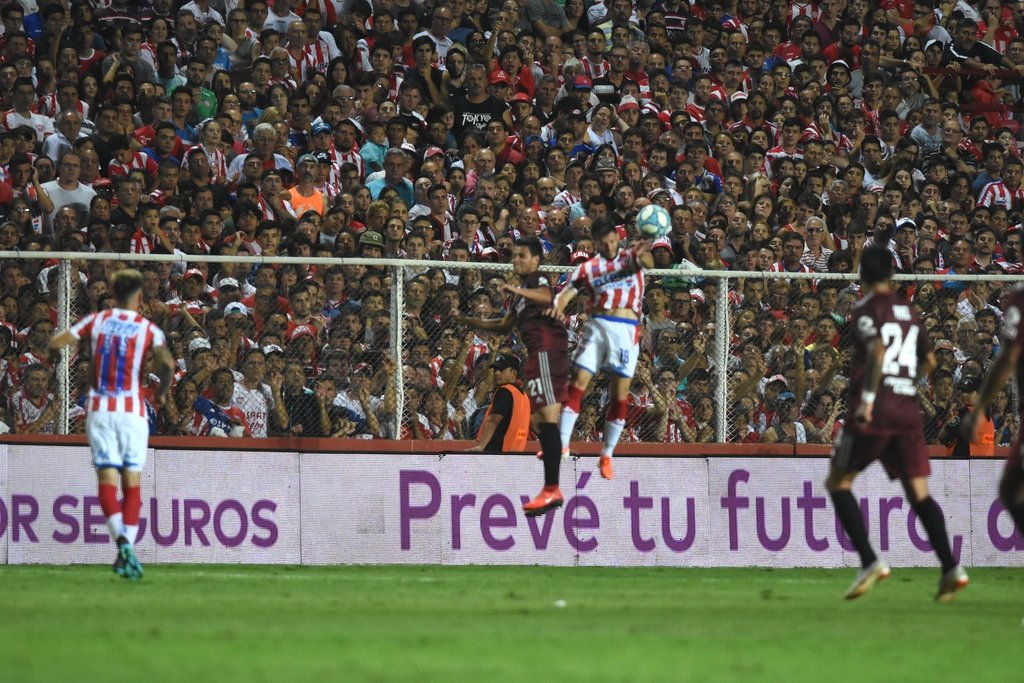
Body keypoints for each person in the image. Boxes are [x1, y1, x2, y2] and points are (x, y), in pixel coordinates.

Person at [826, 247, 967, 602]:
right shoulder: (909, 312)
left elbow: (877, 351)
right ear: (891, 274)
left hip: (874, 410)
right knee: (919, 493)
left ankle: (870, 561)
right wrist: (905, 383)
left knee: (838, 482)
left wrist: (869, 400)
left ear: (862, 275)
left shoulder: (864, 310)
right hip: (907, 411)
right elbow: (930, 360)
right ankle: (951, 567)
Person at [47, 269, 174, 581]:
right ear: (139, 296)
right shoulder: (148, 328)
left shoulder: (98, 320)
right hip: (133, 412)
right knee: (132, 484)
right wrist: (161, 391)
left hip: (101, 410)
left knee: (106, 480)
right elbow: (167, 363)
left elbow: (58, 341)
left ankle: (123, 546)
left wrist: (55, 358)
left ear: (113, 293)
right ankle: (127, 545)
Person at [455, 236, 569, 516]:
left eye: (522, 256)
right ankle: (552, 483)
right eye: (514, 256)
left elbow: (546, 297)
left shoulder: (537, 281)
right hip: (537, 359)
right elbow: (502, 325)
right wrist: (468, 320)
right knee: (543, 422)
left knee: (547, 421)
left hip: (547, 355)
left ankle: (553, 486)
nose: (516, 260)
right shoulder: (520, 298)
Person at [549, 216, 654, 481]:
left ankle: (606, 454)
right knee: (577, 383)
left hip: (626, 332)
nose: (609, 246)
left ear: (617, 239)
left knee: (619, 395)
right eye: (603, 243)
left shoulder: (632, 259)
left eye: (612, 241)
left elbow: (649, 262)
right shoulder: (588, 268)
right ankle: (562, 444)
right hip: (597, 326)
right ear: (596, 243)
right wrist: (556, 308)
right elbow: (567, 293)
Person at [962, 284, 1024, 536]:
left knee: (1010, 488)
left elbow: (1008, 357)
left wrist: (978, 408)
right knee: (1011, 487)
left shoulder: (1019, 298)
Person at [467, 354, 531, 453]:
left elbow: (494, 420)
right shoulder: (522, 394)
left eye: (501, 370)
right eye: (495, 370)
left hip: (497, 450)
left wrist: (481, 446)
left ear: (513, 373)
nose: (497, 373)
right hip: (515, 450)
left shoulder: (505, 391)